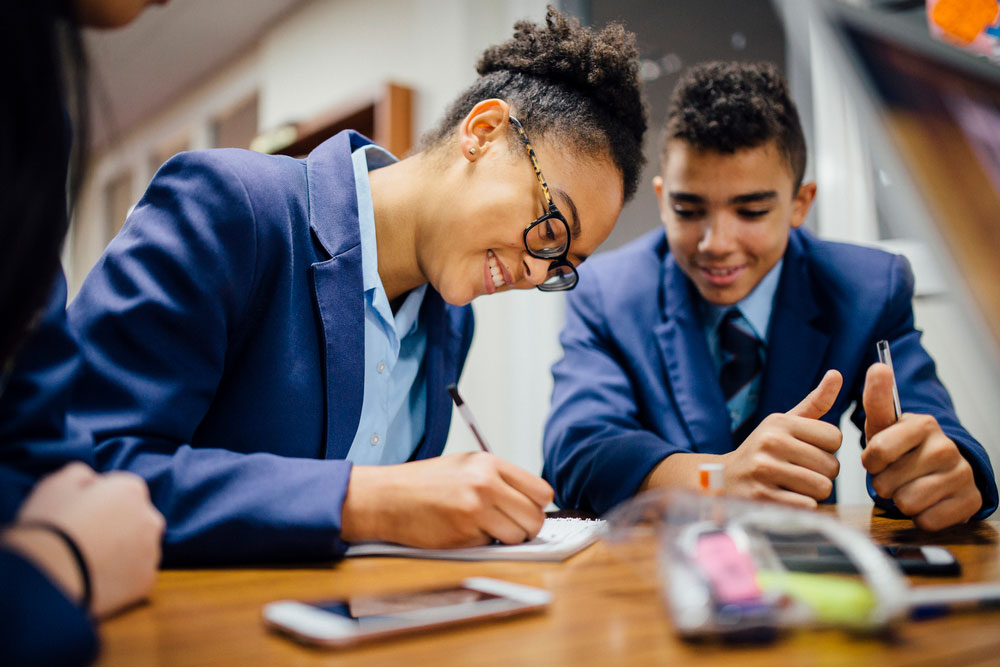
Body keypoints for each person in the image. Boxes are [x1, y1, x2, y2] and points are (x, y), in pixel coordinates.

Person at [61, 7, 647, 566]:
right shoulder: (229, 206)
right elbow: (86, 464)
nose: (538, 273)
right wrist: (367, 501)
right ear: (485, 132)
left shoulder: (452, 319)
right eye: (551, 229)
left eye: (564, 265)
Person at [543, 61, 998, 531]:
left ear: (800, 204)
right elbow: (577, 451)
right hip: (652, 569)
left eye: (752, 210)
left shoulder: (868, 288)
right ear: (662, 200)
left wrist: (944, 471)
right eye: (688, 209)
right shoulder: (605, 290)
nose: (716, 243)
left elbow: (931, 424)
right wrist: (715, 478)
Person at [0, 1, 166, 664]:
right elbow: (113, 444)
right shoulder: (233, 195)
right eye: (528, 229)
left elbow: (38, 448)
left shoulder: (35, 109)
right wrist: (55, 561)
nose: (526, 269)